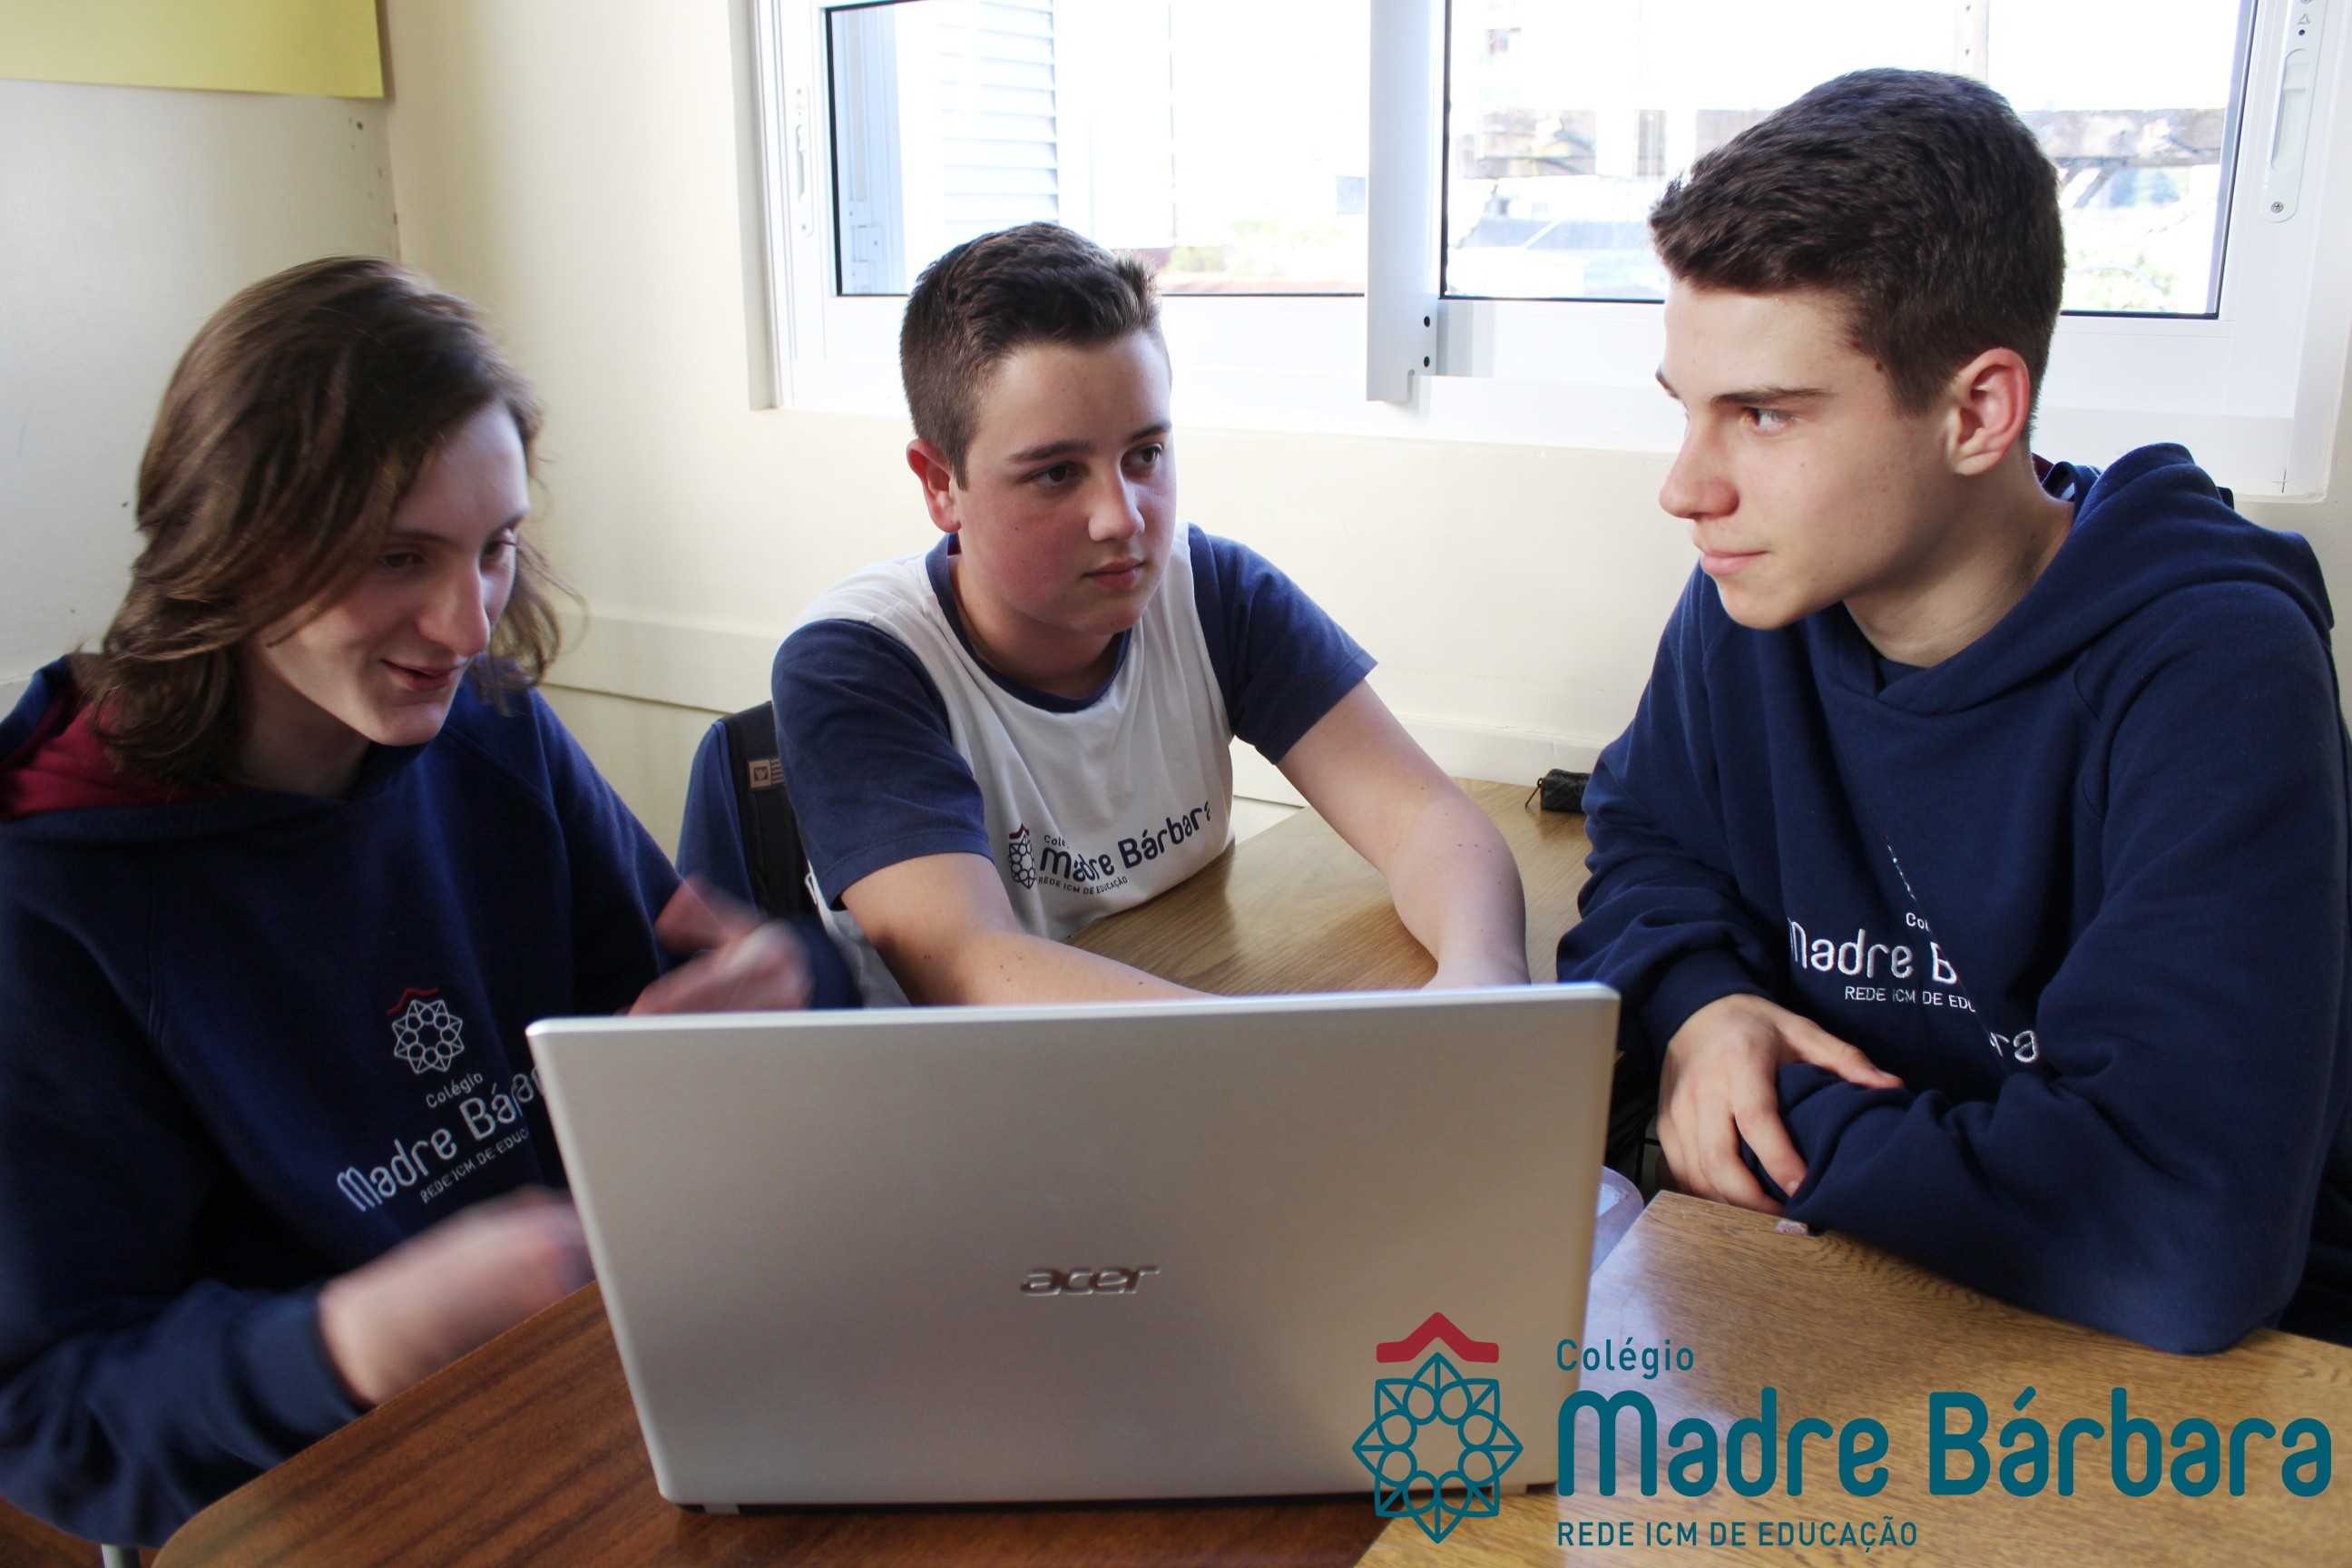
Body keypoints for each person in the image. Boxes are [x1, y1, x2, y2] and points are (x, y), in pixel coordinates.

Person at [0, 258, 853, 1546]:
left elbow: (663, 1027)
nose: (468, 626)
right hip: (334, 1495)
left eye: (496, 547)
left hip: (602, 1388)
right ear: (229, 544)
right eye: (398, 556)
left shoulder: (492, 730)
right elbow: (56, 1414)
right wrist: (354, 1340)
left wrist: (791, 992)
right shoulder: (53, 881)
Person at [1557, 69, 2352, 1356]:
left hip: (2207, 1376)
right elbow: (1649, 838)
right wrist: (1701, 1009)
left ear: (1978, 411)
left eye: (1765, 414)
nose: (1687, 488)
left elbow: (2179, 1242)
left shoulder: (2216, 669)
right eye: (1688, 410)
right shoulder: (1756, 592)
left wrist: (1773, 1111)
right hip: (1845, 1275)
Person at [745, 223, 1529, 1005]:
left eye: (1145, 455)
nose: (1121, 517)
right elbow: (970, 963)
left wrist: (1481, 984)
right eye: (1057, 473)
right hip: (972, 1075)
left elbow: (1426, 821)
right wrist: (1281, 1052)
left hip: (1189, 1016)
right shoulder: (854, 663)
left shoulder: (1213, 591)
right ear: (940, 484)